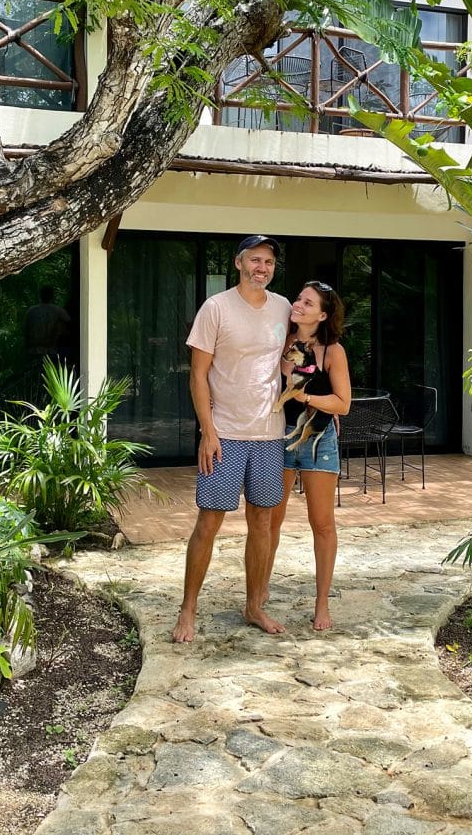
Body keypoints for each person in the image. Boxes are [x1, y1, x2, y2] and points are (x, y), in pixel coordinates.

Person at [172, 235, 291, 643]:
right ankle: (188, 611)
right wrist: (208, 432)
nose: (262, 267)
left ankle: (255, 605)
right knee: (209, 522)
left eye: (269, 262)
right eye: (255, 260)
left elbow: (296, 356)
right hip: (225, 435)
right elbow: (197, 374)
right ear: (239, 263)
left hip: (270, 434)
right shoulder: (217, 308)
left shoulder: (284, 308)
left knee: (263, 521)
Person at [267, 280, 351, 631]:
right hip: (276, 437)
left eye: (308, 302)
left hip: (318, 442)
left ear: (323, 314)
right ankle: (258, 595)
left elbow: (343, 404)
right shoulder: (278, 341)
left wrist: (306, 399)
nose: (298, 304)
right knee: (271, 520)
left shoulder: (333, 351)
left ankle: (322, 605)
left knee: (322, 524)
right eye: (299, 298)